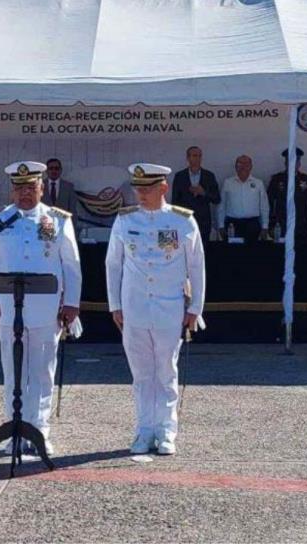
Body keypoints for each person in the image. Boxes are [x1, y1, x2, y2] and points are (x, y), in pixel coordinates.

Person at [0, 161, 82, 456]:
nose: (24, 193)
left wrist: (72, 302)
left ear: (41, 187)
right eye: (18, 188)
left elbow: (71, 266)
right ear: (12, 191)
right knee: (13, 371)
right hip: (10, 309)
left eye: (30, 187)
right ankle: (14, 429)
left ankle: (39, 430)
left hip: (47, 309)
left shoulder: (57, 219)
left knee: (41, 371)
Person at [106, 163, 205, 456]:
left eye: (148, 189)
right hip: (135, 307)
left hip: (169, 307)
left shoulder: (182, 221)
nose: (141, 194)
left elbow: (196, 267)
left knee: (165, 371)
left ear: (163, 188)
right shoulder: (125, 220)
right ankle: (144, 429)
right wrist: (115, 304)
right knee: (141, 373)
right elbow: (113, 264)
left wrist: (196, 307)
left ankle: (165, 431)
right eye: (138, 189)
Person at [267, 147, 307, 241]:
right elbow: (269, 204)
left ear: (299, 163)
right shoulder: (276, 180)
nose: (292, 163)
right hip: (281, 226)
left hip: (301, 227)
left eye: (295, 161)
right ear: (285, 163)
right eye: (289, 161)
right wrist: (270, 226)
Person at [216, 155, 269, 243]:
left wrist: (265, 226)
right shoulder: (228, 182)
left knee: (251, 253)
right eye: (240, 164)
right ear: (235, 166)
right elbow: (222, 205)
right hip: (232, 224)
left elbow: (264, 206)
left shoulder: (258, 183)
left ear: (251, 166)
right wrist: (220, 225)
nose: (243, 166)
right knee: (233, 253)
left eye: (246, 164)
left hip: (252, 224)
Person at [171, 146, 220, 240]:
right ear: (188, 158)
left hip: (203, 221)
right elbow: (175, 201)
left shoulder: (209, 176)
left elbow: (217, 199)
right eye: (194, 155)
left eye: (199, 156)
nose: (197, 158)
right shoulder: (180, 176)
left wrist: (204, 193)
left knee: (203, 250)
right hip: (185, 220)